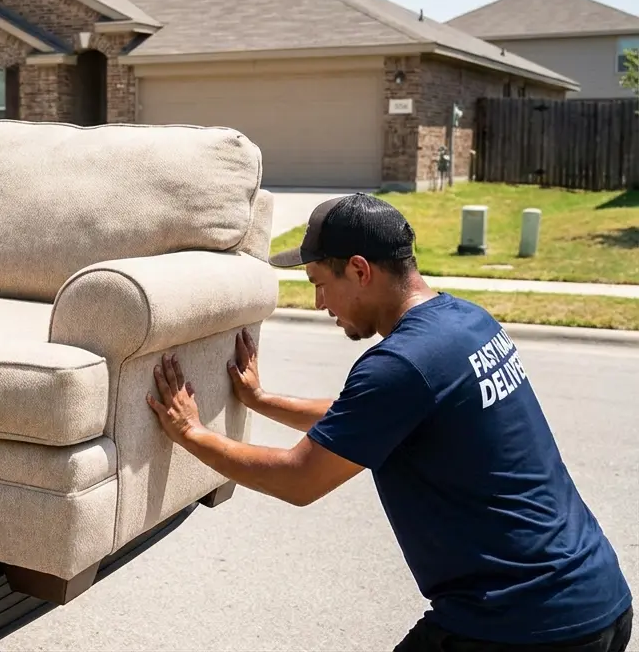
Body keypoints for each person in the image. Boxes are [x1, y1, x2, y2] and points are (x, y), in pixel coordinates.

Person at [146, 193, 632, 651]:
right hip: (598, 599)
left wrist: (191, 432)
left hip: (519, 623)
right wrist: (261, 399)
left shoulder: (400, 364)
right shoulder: (466, 322)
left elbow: (299, 479)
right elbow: (371, 417)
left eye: (320, 284)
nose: (320, 304)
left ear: (359, 270)